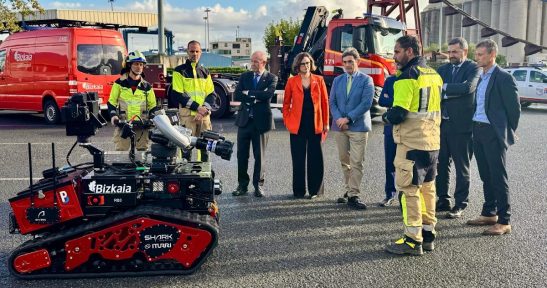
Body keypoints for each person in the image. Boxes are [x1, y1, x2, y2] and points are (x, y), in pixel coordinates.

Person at [382, 35, 443, 256]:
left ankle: (411, 240)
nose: (394, 56)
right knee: (428, 188)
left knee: (409, 191)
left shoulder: (407, 77)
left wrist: (386, 117)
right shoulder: (434, 74)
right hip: (433, 142)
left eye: (397, 51)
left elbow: (398, 113)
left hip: (411, 142)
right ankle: (428, 234)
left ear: (409, 51)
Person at [466, 39, 520, 236]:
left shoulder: (503, 77)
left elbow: (514, 109)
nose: (476, 57)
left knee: (498, 176)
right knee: (485, 174)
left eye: (480, 54)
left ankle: (504, 220)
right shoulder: (482, 76)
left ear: (491, 55)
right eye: (477, 54)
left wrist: (506, 130)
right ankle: (489, 213)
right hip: (477, 129)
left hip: (493, 132)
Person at [435, 37, 480, 219]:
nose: (451, 55)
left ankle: (460, 203)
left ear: (465, 52)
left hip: (462, 127)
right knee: (441, 164)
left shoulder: (473, 68)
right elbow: (436, 91)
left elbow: (468, 88)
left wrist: (444, 89)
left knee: (462, 167)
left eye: (455, 51)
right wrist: (453, 91)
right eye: (449, 51)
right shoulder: (443, 69)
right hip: (442, 125)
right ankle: (443, 199)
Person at [329, 47, 374, 210]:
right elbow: (332, 102)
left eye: (350, 61)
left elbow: (366, 103)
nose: (347, 65)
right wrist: (339, 119)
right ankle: (348, 190)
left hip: (358, 127)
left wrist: (348, 118)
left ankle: (354, 194)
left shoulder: (366, 80)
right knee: (344, 161)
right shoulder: (337, 80)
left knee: (356, 162)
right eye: (345, 62)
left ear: (358, 62)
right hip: (340, 127)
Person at [282, 52, 329, 199]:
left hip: (315, 124)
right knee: (298, 159)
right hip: (297, 125)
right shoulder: (292, 81)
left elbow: (325, 103)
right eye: (303, 63)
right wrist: (287, 120)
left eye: (308, 63)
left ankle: (315, 191)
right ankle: (298, 191)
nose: (306, 66)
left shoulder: (319, 80)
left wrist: (326, 123)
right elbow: (286, 104)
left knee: (315, 158)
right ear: (298, 65)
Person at [231, 51, 278, 197]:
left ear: (264, 62)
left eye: (256, 61)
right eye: (252, 61)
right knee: (241, 155)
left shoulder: (271, 78)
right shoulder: (245, 76)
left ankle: (258, 185)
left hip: (261, 123)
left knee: (260, 156)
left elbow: (268, 95)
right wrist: (256, 95)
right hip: (245, 121)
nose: (252, 64)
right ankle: (242, 185)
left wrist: (248, 93)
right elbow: (237, 94)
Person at [170, 40, 214, 161]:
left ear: (201, 52)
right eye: (192, 51)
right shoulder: (179, 71)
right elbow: (178, 95)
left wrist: (202, 111)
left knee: (205, 149)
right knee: (185, 150)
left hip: (204, 117)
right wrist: (198, 108)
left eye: (197, 51)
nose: (194, 54)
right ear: (187, 52)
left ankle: (203, 175)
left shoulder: (205, 72)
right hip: (188, 118)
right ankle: (184, 177)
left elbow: (211, 94)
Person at [108, 50, 158, 151]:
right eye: (136, 64)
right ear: (129, 65)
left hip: (142, 126)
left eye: (141, 64)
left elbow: (153, 106)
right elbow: (111, 102)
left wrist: (152, 117)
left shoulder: (147, 86)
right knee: (122, 153)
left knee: (141, 154)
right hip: (124, 124)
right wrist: (113, 116)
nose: (139, 67)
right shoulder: (119, 83)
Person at [378, 75, 397, 207]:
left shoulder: (412, 78)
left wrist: (391, 100)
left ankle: (407, 197)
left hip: (408, 127)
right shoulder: (390, 80)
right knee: (390, 162)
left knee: (409, 163)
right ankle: (389, 194)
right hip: (390, 126)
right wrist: (401, 101)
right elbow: (381, 101)